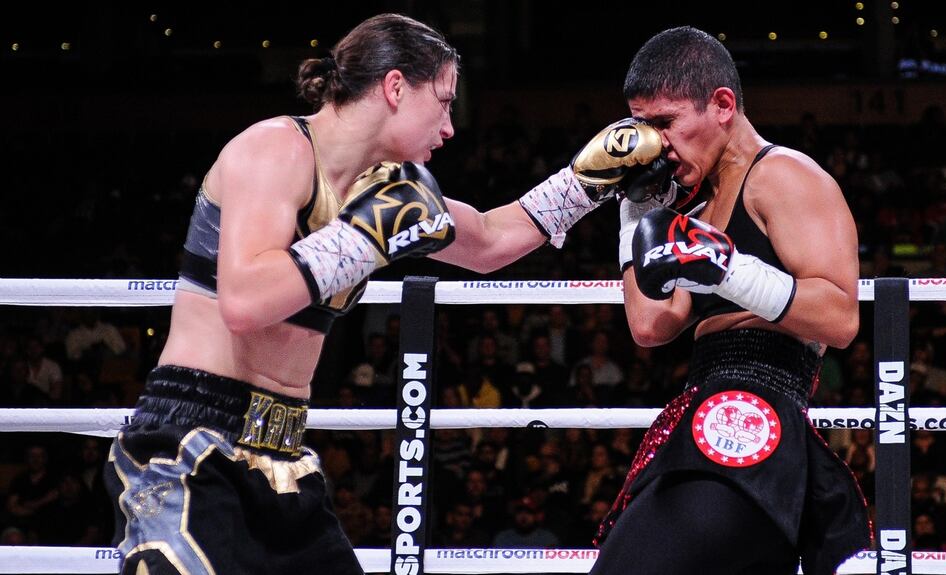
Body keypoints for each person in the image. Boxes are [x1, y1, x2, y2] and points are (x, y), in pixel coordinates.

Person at [103, 12, 664, 575]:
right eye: (443, 102)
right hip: (192, 441)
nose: (449, 128)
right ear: (395, 87)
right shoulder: (275, 149)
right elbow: (245, 301)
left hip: (283, 459)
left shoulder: (389, 188)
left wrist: (593, 177)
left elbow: (492, 240)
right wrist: (363, 236)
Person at [590, 27, 870, 575]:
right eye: (641, 128)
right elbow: (650, 324)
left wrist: (731, 270)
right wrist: (635, 213)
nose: (654, 145)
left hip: (756, 409)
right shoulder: (691, 216)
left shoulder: (785, 176)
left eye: (664, 123)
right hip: (703, 406)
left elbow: (840, 316)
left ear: (722, 105)